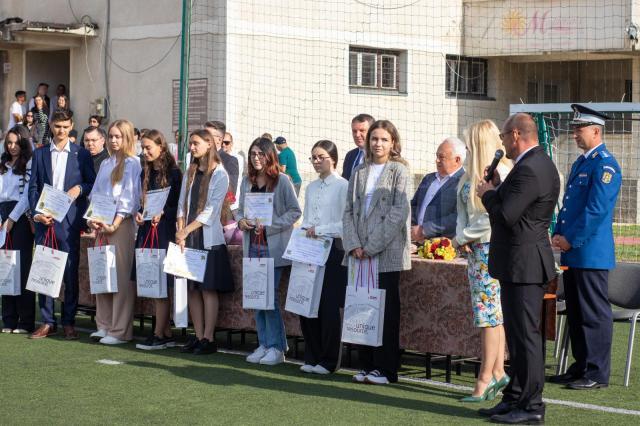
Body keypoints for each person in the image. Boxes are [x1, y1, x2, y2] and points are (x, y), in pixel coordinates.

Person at [476, 113, 560, 424]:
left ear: (515, 135)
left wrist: (487, 196)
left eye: (503, 138)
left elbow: (507, 216)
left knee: (526, 337)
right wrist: (497, 188)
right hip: (519, 262)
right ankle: (515, 396)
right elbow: (515, 207)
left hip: (525, 263)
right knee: (519, 335)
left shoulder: (531, 168)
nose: (502, 145)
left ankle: (532, 405)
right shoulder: (533, 164)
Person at [550, 104, 622, 390]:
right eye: (575, 129)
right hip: (575, 251)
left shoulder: (605, 164)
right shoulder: (582, 162)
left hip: (590, 252)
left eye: (579, 130)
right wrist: (558, 232)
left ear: (596, 130)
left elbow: (596, 210)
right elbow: (570, 205)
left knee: (593, 312)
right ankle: (581, 366)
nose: (575, 134)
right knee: (577, 311)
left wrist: (571, 238)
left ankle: (596, 372)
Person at [342, 119, 412, 385]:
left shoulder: (399, 171)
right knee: (362, 306)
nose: (378, 143)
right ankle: (366, 363)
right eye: (374, 139)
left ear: (393, 142)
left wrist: (371, 247)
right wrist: (354, 244)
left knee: (386, 310)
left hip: (386, 254)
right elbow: (348, 210)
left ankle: (386, 368)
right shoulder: (359, 171)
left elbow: (398, 213)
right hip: (359, 254)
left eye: (383, 139)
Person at [454, 120, 512, 402]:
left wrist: (462, 237)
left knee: (489, 316)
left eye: (468, 144)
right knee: (491, 315)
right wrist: (461, 236)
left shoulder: (499, 173)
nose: (465, 149)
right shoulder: (469, 175)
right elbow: (463, 212)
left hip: (490, 248)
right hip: (475, 250)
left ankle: (485, 377)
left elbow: (490, 219)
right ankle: (499, 370)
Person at [28, 110, 96, 340]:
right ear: (52, 127)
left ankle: (69, 322)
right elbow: (33, 188)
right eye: (57, 126)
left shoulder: (82, 154)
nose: (61, 130)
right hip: (45, 221)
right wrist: (37, 214)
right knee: (44, 270)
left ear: (72, 126)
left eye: (65, 126)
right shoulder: (40, 154)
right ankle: (48, 322)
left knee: (70, 274)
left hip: (68, 222)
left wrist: (80, 189)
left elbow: (91, 182)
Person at [238, 137, 301, 365]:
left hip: (273, 248)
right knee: (257, 296)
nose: (256, 158)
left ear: (270, 155)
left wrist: (271, 226)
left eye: (260, 154)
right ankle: (264, 343)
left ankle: (277, 347)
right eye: (253, 154)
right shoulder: (247, 181)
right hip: (252, 246)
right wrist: (241, 221)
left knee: (270, 298)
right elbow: (238, 210)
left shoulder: (282, 181)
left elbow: (295, 211)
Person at [176, 129, 234, 355]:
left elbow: (211, 211)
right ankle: (198, 335)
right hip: (188, 237)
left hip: (207, 239)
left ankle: (209, 338)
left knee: (208, 289)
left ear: (209, 145)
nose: (192, 147)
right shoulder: (189, 171)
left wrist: (186, 230)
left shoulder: (220, 174)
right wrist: (180, 229)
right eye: (191, 143)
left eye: (196, 143)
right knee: (192, 289)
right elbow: (182, 203)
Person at [87, 119, 142, 345]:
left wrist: (115, 223)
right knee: (103, 273)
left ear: (127, 138)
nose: (113, 140)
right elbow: (96, 194)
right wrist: (93, 219)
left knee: (120, 279)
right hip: (102, 224)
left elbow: (130, 198)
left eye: (118, 136)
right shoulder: (106, 164)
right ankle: (104, 325)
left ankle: (120, 330)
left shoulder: (133, 163)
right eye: (110, 136)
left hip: (121, 225)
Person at [298, 140, 349, 375]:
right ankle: (312, 355)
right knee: (307, 304)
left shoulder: (343, 186)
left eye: (321, 157)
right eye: (313, 158)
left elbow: (344, 224)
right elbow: (307, 218)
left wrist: (318, 230)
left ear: (334, 159)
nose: (317, 162)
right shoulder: (311, 187)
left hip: (333, 250)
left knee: (328, 308)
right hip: (310, 250)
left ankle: (329, 361)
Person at [134, 130, 182, 351]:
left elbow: (179, 206)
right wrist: (140, 213)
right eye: (142, 148)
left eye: (148, 148)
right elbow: (143, 203)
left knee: (162, 285)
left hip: (164, 233)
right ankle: (165, 332)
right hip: (147, 231)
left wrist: (164, 213)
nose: (144, 152)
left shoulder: (174, 173)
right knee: (153, 283)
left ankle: (158, 334)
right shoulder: (145, 172)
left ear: (161, 147)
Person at [0, 126, 35, 334]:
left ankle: (26, 321)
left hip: (20, 216)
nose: (12, 147)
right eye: (9, 142)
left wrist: (12, 218)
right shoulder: (2, 164)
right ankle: (9, 319)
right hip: (2, 213)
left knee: (22, 268)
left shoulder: (29, 163)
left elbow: (27, 196)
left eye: (16, 142)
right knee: (5, 267)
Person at [411, 137, 465, 242]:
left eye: (441, 157)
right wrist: (411, 227)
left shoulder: (465, 182)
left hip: (443, 249)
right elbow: (414, 205)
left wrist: (424, 230)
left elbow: (458, 217)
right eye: (437, 156)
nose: (437, 160)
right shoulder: (428, 178)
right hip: (415, 244)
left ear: (457, 160)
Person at [204, 121, 240, 196]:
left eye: (208, 135)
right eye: (203, 133)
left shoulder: (229, 161)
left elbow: (231, 194)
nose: (203, 137)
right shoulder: (199, 158)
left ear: (219, 140)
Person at [342, 113, 375, 181]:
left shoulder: (378, 155)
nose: (357, 135)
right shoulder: (350, 155)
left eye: (362, 130)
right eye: (354, 131)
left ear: (372, 132)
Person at [222, 131, 244, 210]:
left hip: (232, 199)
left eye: (226, 143)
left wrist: (231, 197)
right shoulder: (217, 156)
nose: (223, 145)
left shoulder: (238, 158)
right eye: (221, 142)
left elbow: (236, 180)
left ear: (231, 144)